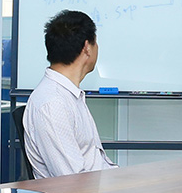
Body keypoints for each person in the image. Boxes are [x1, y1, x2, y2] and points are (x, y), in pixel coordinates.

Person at [23, 10, 116, 178]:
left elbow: (95, 162)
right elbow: (73, 180)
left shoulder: (69, 94)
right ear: (87, 48)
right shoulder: (53, 104)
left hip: (98, 187)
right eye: (96, 42)